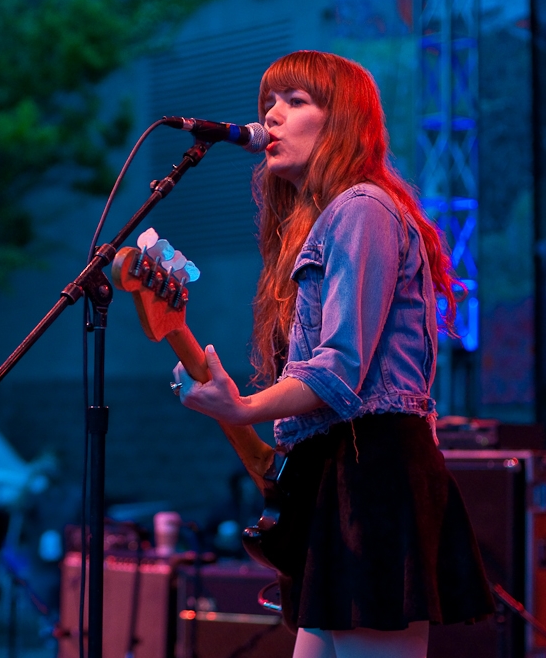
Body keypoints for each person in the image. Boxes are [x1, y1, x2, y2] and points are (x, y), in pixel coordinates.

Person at [171, 51, 494, 658]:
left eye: (296, 102)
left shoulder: (361, 209)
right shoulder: (326, 220)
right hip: (339, 469)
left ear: (342, 122)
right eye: (269, 101)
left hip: (370, 469)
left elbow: (340, 370)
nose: (271, 116)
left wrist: (241, 409)